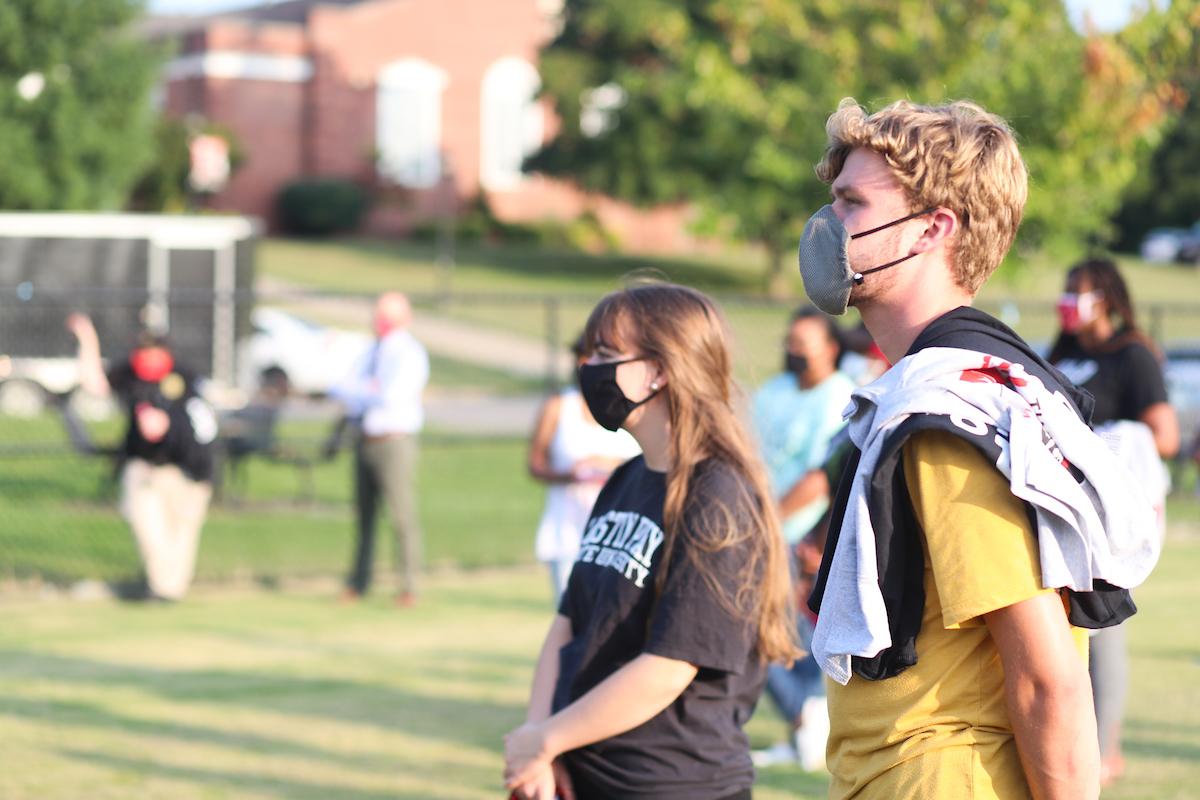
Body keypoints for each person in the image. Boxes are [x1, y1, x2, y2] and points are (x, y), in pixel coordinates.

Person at [797, 98, 1160, 799]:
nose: (825, 225)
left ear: (932, 229)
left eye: (851, 203)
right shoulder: (961, 380)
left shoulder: (946, 412)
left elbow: (1047, 678)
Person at [502, 283, 798, 800]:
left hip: (671, 785)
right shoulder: (627, 478)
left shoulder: (718, 495)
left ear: (659, 371)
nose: (588, 367)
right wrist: (542, 743)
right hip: (584, 773)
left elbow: (669, 667)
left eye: (606, 355)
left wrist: (546, 739)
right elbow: (568, 624)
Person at [1048, 257, 1180, 786]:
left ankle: (1104, 750)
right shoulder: (1061, 351)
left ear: (1104, 298)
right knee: (1061, 623)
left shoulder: (1134, 355)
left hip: (1109, 509)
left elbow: (1164, 437)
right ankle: (1072, 739)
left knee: (1100, 623)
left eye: (1076, 291)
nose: (1066, 300)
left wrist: (1108, 439)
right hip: (1063, 501)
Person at [751, 306, 854, 769]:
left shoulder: (839, 397)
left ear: (831, 350)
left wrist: (774, 525)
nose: (794, 355)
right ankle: (805, 718)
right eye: (789, 346)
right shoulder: (772, 392)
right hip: (760, 530)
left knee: (776, 633)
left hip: (800, 536)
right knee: (765, 633)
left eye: (804, 349)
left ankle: (808, 714)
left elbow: (821, 477)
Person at [66, 313, 218, 601]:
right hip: (145, 466)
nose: (148, 357)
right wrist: (87, 338)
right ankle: (161, 587)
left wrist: (168, 425)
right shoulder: (131, 374)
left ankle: (168, 590)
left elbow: (200, 426)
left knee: (181, 533)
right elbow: (95, 383)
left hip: (188, 469)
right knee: (149, 526)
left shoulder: (184, 378)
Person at [329, 292, 429, 606]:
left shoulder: (409, 353)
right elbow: (343, 386)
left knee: (401, 517)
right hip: (365, 438)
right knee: (364, 517)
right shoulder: (371, 350)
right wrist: (364, 390)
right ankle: (359, 582)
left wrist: (364, 391)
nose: (379, 321)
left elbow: (390, 395)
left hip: (393, 441)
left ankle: (409, 584)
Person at [528, 335, 641, 603]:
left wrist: (611, 467)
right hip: (568, 529)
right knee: (571, 617)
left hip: (622, 532)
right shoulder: (559, 406)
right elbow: (535, 464)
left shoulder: (631, 407)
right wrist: (571, 474)